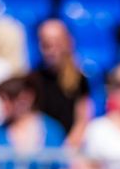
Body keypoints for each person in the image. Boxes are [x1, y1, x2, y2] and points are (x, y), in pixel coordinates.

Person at [30, 19, 93, 148]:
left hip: (70, 148)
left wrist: (68, 148)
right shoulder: (33, 79)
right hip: (42, 147)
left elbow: (83, 120)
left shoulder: (79, 79)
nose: (52, 50)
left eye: (57, 43)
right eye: (47, 44)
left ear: (68, 42)